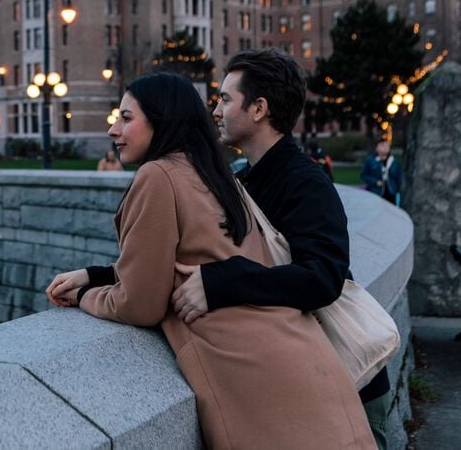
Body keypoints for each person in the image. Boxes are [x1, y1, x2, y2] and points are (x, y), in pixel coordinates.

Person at [46, 73, 373, 449]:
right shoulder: (218, 175)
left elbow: (141, 305)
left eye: (125, 117)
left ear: (161, 120)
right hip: (311, 366)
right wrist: (97, 274)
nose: (113, 130)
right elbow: (190, 260)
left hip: (254, 381)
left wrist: (86, 296)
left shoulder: (158, 176)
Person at [170, 48, 391, 448]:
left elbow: (323, 278)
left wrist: (224, 284)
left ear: (258, 109)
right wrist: (101, 278)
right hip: (301, 380)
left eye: (225, 99)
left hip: (348, 388)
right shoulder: (245, 179)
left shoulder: (305, 182)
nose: (216, 111)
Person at [361, 139, 402, 205]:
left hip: (391, 193)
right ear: (377, 148)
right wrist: (375, 182)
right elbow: (364, 175)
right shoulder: (370, 161)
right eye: (382, 145)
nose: (385, 148)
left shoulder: (394, 162)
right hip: (375, 192)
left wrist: (397, 189)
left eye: (387, 146)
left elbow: (399, 178)